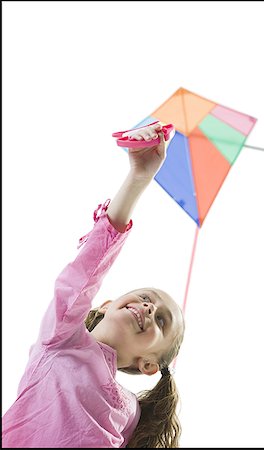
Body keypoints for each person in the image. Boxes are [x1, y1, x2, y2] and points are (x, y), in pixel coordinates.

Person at [2, 122, 185, 448]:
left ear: (149, 365)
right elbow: (83, 275)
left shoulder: (130, 413)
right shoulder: (61, 339)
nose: (150, 307)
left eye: (161, 320)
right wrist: (138, 178)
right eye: (147, 298)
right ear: (104, 304)